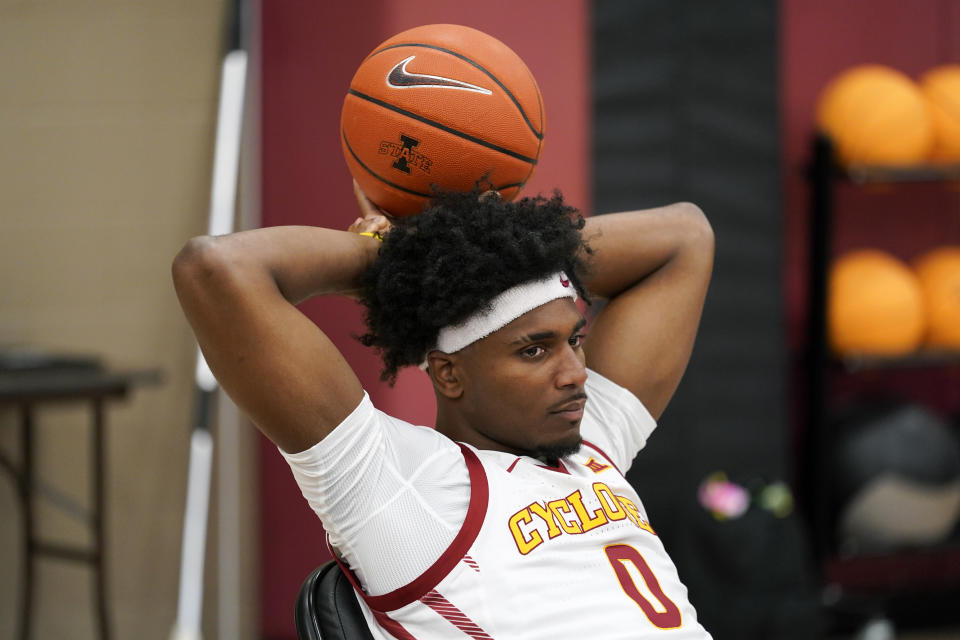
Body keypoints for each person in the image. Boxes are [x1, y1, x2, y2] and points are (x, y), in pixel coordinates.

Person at [172, 181, 715, 639]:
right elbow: (215, 268)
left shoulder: (589, 441)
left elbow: (685, 236)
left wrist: (486, 249)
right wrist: (396, 263)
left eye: (575, 340)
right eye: (534, 350)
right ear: (449, 373)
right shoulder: (399, 487)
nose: (575, 372)